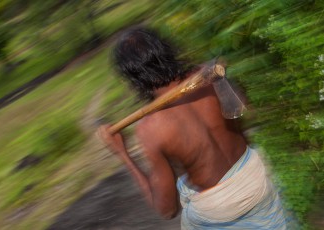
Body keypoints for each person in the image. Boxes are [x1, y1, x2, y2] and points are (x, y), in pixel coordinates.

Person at [97, 28, 288, 229]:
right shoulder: (210, 73)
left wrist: (123, 154)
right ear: (166, 50)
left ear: (134, 79)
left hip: (220, 208)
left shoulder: (150, 129)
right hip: (258, 176)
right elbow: (244, 113)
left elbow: (167, 210)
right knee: (184, 186)